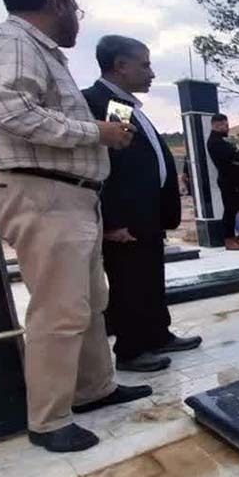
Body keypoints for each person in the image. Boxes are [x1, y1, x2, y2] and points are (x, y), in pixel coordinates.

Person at [0, 0, 151, 453]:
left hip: (70, 195)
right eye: (75, 9)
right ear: (56, 3)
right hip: (41, 193)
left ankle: (93, 388)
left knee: (88, 302)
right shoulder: (9, 41)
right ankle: (48, 420)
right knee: (59, 309)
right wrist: (96, 132)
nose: (76, 21)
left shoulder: (42, 53)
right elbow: (9, 110)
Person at [82, 35, 202, 373]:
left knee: (149, 276)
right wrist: (112, 220)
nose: (151, 74)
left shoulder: (123, 105)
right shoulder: (98, 103)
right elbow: (105, 166)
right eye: (145, 65)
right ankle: (132, 349)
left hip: (147, 213)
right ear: (121, 66)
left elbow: (134, 158)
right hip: (126, 216)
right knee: (128, 282)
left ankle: (157, 334)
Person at [207, 114, 239, 250]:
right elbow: (229, 159)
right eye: (225, 125)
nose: (228, 128)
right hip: (227, 180)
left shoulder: (219, 141)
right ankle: (229, 239)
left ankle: (236, 236)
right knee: (230, 210)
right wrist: (238, 159)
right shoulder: (215, 142)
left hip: (231, 179)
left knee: (233, 209)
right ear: (217, 125)